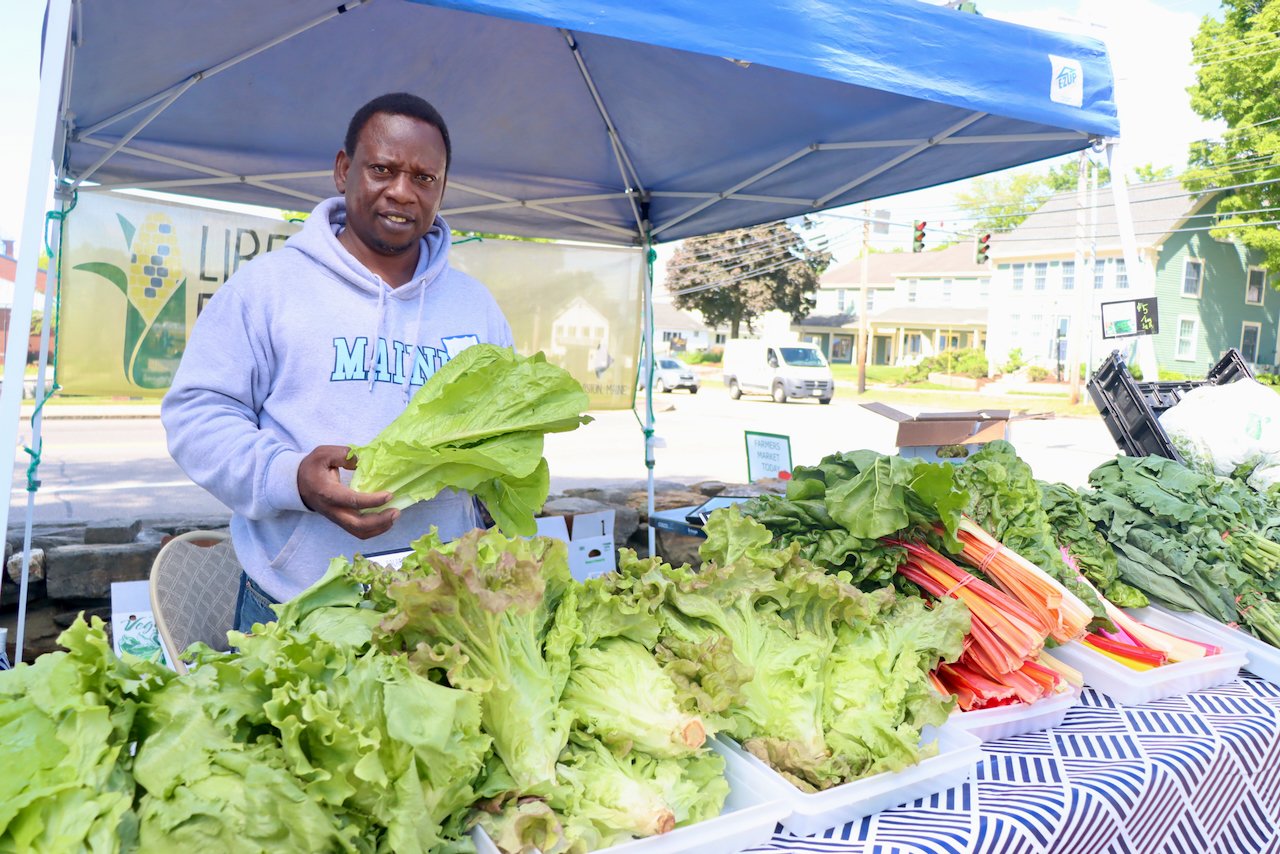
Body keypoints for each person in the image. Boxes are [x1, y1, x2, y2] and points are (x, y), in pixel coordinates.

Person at [162, 93, 513, 632]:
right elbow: (197, 417)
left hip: (441, 607)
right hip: (293, 605)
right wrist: (293, 477)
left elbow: (508, 439)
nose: (401, 190)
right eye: (382, 169)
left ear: (442, 189)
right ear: (344, 169)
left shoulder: (476, 306)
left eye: (424, 178)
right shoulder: (268, 287)